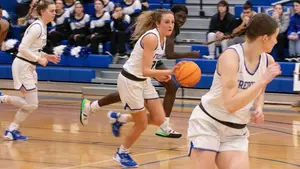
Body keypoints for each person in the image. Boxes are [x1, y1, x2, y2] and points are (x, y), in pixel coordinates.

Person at [80, 4, 199, 138]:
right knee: (171, 87)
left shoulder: (169, 28)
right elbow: (170, 54)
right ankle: (163, 126)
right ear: (170, 15)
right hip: (142, 61)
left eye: (184, 18)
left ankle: (105, 112)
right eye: (179, 17)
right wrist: (190, 55)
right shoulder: (165, 29)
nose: (181, 20)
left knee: (126, 94)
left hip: (150, 60)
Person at [187, 13, 281, 169]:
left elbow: (259, 91)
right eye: (275, 37)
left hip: (236, 131)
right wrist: (262, 81)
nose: (276, 41)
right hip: (208, 124)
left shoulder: (267, 60)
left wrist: (258, 107)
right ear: (265, 38)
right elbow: (230, 105)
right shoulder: (231, 57)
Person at [109, 9, 174, 167]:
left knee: (159, 119)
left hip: (143, 80)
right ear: (158, 23)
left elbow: (147, 68)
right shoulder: (152, 37)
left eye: (172, 22)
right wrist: (170, 71)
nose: (171, 25)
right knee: (142, 124)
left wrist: (158, 76)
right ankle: (122, 153)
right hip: (130, 82)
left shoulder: (163, 38)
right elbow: (145, 70)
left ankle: (120, 118)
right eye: (167, 22)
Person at [0, 0, 60, 141]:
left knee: (31, 104)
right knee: (32, 104)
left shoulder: (43, 26)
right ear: (42, 12)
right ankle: (2, 99)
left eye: (55, 11)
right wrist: (39, 59)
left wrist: (45, 56)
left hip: (29, 66)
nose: (54, 13)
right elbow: (22, 48)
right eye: (52, 11)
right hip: (22, 66)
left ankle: (11, 130)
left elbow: (33, 49)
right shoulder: (37, 27)